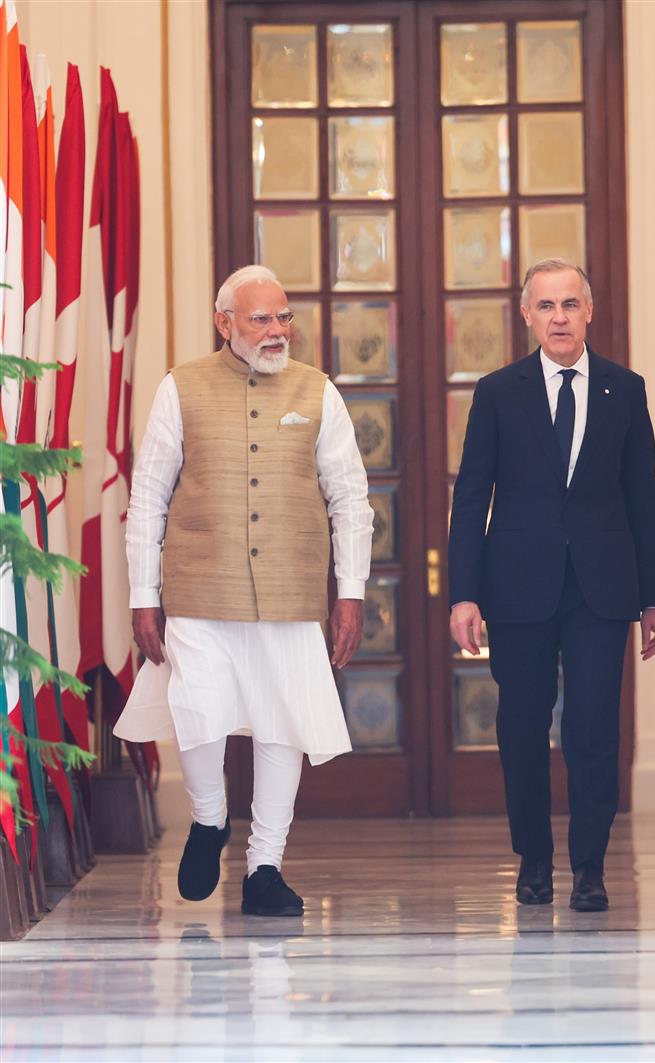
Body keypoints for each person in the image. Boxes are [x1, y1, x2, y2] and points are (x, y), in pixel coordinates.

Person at [116, 264, 373, 916]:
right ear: (224, 321)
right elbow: (147, 494)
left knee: (282, 724)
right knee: (198, 708)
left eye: (284, 316)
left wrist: (351, 592)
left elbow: (351, 499)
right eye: (261, 318)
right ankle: (209, 819)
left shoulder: (318, 391)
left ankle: (265, 867)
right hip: (201, 586)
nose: (277, 329)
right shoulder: (182, 388)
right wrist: (143, 595)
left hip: (290, 592)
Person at [448, 259, 655, 912]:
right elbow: (471, 498)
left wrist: (654, 598)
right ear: (526, 316)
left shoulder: (625, 390)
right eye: (545, 306)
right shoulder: (498, 391)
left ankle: (590, 866)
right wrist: (465, 592)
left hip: (601, 589)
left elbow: (643, 500)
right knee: (521, 724)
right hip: (517, 586)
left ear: (589, 311)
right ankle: (535, 858)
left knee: (594, 726)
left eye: (570, 304)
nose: (559, 317)